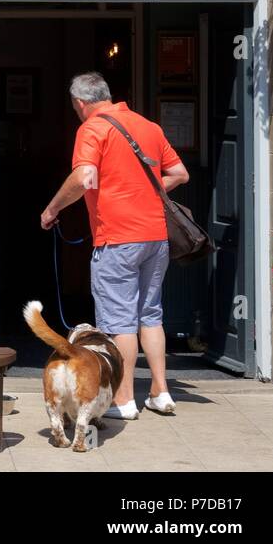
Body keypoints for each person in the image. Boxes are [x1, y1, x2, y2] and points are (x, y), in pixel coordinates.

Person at [40, 72, 189, 420]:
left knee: (119, 321)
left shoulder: (92, 128)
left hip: (117, 237)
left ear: (80, 103)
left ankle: (123, 400)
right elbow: (180, 173)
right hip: (155, 234)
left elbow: (83, 178)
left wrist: (52, 209)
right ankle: (160, 391)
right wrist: (145, 194)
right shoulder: (147, 126)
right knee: (150, 314)